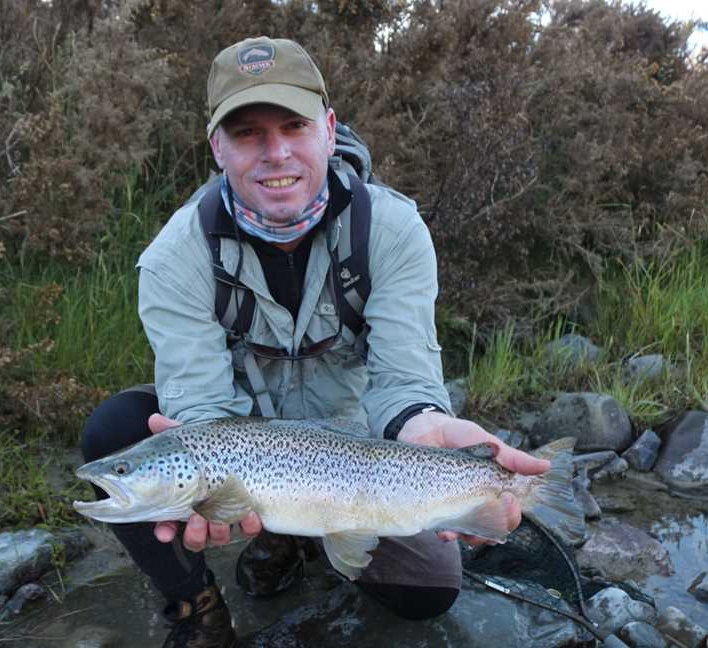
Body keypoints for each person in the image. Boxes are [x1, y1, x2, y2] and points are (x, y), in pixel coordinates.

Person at [81, 36, 550, 648]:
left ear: (329, 129)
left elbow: (406, 385)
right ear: (216, 146)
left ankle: (297, 535)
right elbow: (200, 414)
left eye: (294, 126)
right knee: (115, 431)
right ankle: (195, 603)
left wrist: (430, 428)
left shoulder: (391, 230)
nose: (276, 153)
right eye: (248, 133)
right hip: (251, 447)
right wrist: (214, 488)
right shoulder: (174, 259)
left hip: (361, 449)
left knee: (428, 591)